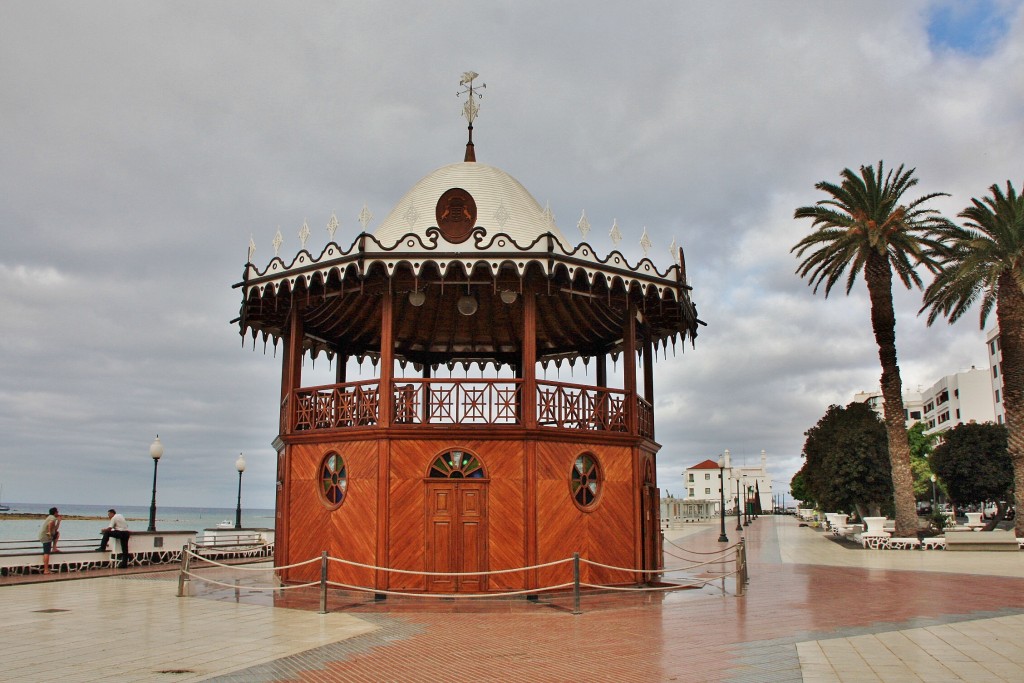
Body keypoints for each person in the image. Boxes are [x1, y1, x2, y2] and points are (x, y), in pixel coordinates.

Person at [38, 507, 59, 575]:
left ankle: (54, 548)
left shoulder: (51, 517)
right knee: (46, 553)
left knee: (57, 533)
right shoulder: (52, 518)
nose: (58, 513)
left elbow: (55, 529)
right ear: (55, 512)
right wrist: (49, 532)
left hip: (45, 536)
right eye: (57, 512)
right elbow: (50, 524)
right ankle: (46, 570)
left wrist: (59, 521)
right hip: (46, 537)